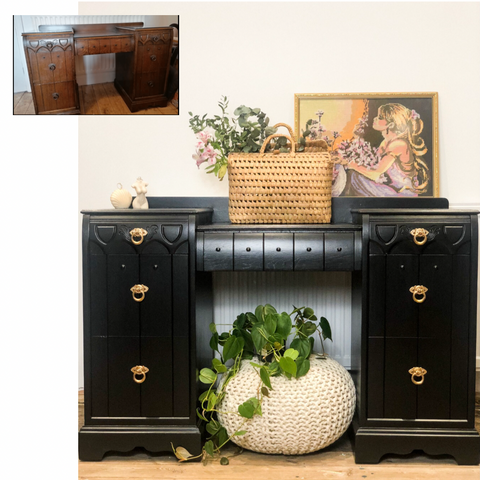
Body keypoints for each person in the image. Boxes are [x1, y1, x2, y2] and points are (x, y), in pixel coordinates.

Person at [342, 103, 429, 196]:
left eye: (380, 117)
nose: (375, 118)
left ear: (390, 124)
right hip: (391, 187)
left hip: (402, 193)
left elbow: (375, 174)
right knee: (354, 175)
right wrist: (357, 137)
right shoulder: (385, 142)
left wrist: (351, 164)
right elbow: (374, 165)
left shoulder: (399, 144)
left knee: (354, 177)